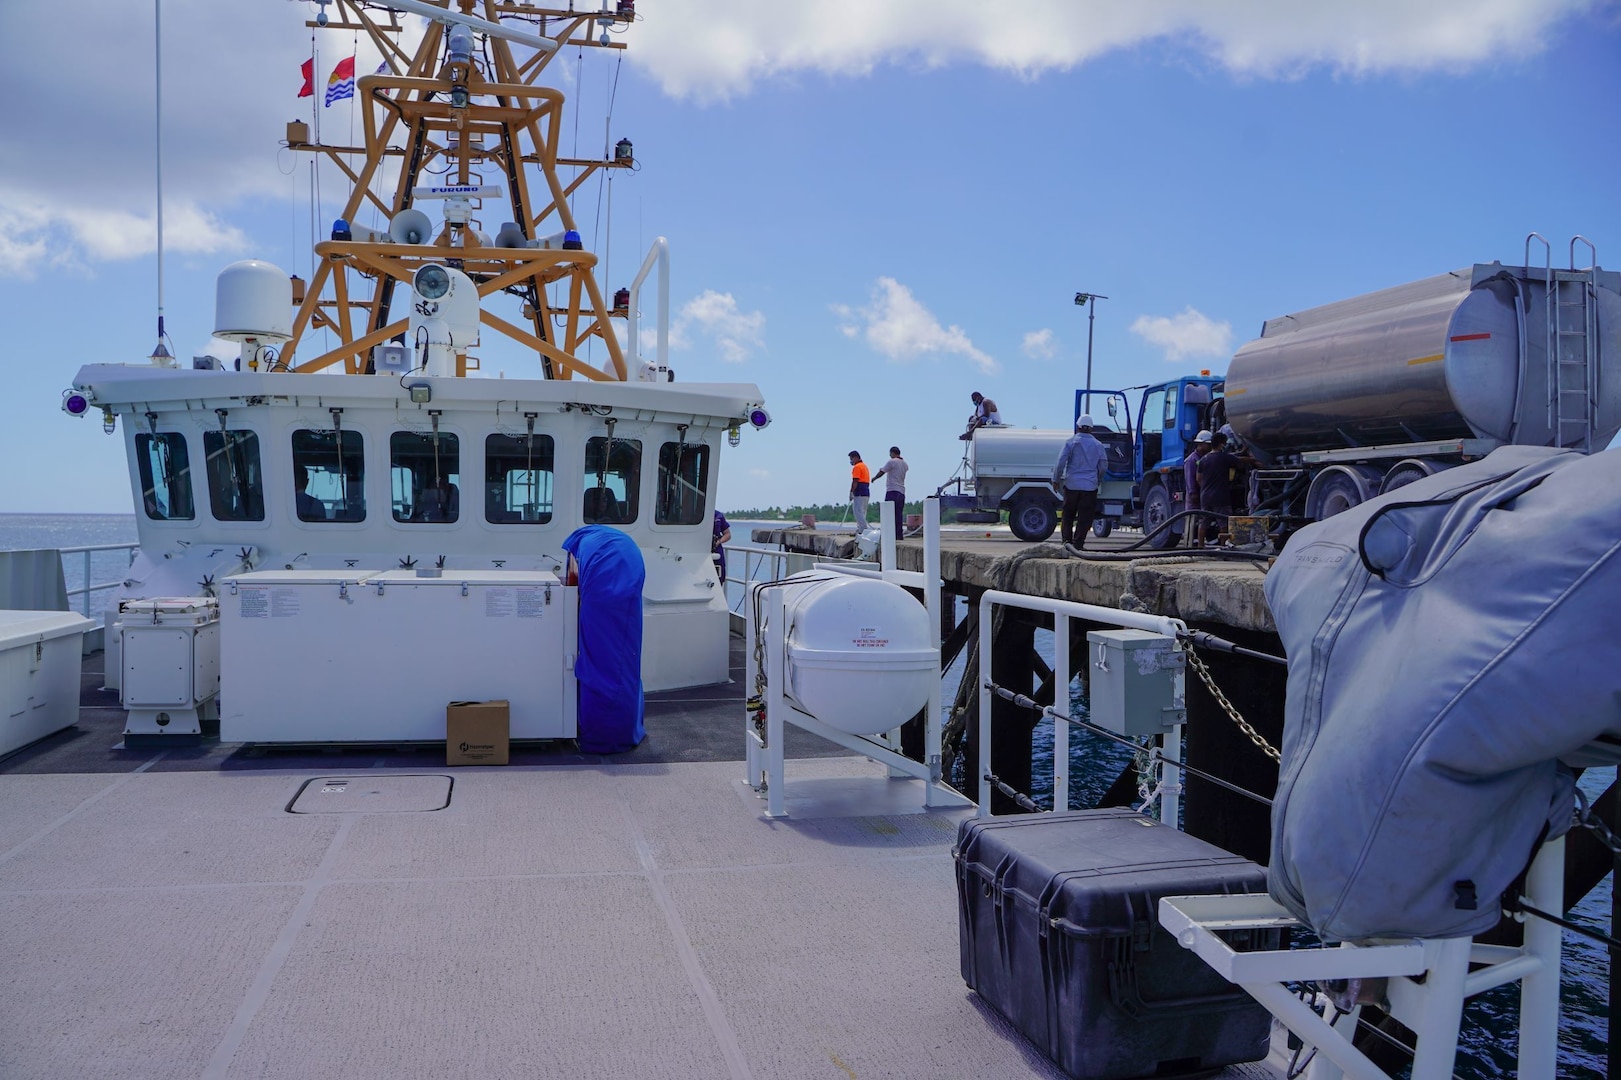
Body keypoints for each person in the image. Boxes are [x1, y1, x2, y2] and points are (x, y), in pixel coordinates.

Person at [1052, 415, 1109, 548]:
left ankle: (1066, 542)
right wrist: (1097, 479)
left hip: (1072, 484)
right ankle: (1078, 544)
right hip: (1090, 486)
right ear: (1091, 429)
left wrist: (1056, 479)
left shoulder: (1070, 442)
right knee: (1085, 516)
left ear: (1078, 427)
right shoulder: (1098, 445)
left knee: (1068, 514)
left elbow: (1060, 462)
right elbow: (1103, 465)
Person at [1197, 432, 1243, 545]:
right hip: (1221, 496)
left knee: (1204, 522)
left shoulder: (1203, 459)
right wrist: (1253, 460)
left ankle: (1200, 547)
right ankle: (1223, 547)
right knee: (1224, 523)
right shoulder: (1224, 458)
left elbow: (1198, 479)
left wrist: (1206, 488)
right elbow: (1240, 461)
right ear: (1221, 445)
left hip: (1205, 496)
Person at [870, 446, 908, 541]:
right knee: (898, 514)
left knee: (888, 513)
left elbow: (882, 471)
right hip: (901, 491)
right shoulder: (905, 464)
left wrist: (874, 478)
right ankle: (899, 535)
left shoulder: (892, 462)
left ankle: (888, 534)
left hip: (892, 490)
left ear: (892, 453)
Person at [1183, 430, 1213, 548]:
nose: (1210, 447)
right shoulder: (1192, 460)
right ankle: (1190, 545)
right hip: (1195, 496)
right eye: (1208, 444)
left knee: (1202, 520)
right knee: (1192, 521)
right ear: (1200, 444)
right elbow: (1190, 479)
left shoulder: (1205, 458)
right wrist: (1193, 493)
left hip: (1203, 494)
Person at [848, 451, 871, 530]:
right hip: (866, 492)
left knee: (857, 512)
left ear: (855, 457)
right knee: (863, 512)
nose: (851, 461)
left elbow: (855, 481)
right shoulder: (864, 466)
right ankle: (861, 529)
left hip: (859, 492)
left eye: (851, 459)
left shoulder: (857, 467)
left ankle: (863, 529)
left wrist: (851, 492)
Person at [711, 510, 731, 584]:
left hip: (716, 550)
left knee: (719, 576)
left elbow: (728, 534)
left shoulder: (718, 516)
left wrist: (719, 541)